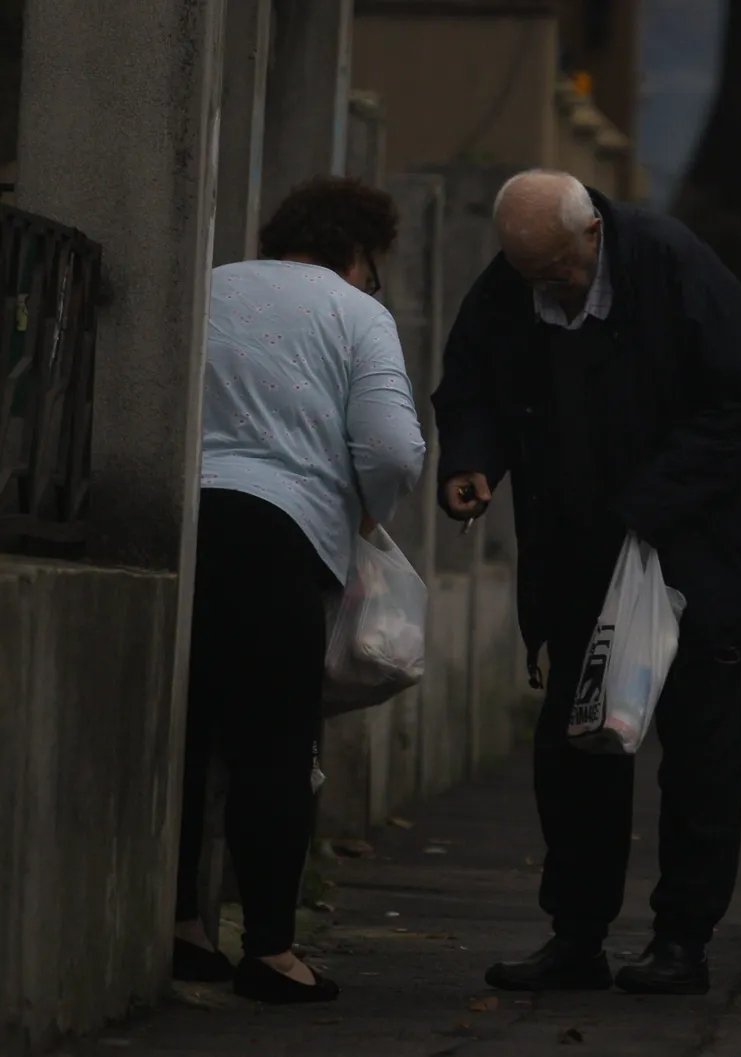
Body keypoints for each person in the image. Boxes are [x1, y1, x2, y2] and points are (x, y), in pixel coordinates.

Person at [432, 170, 741, 996]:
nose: (549, 288)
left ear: (592, 231)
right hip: (580, 554)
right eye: (532, 275)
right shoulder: (513, 283)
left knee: (700, 753)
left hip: (702, 552)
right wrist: (472, 462)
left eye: (558, 269)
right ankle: (577, 933)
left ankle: (681, 940)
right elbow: (471, 383)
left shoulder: (671, 265)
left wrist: (647, 502)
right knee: (577, 744)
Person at [173, 177, 426, 1003]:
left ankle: (183, 925)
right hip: (282, 535)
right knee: (274, 742)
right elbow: (391, 448)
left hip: (182, 519)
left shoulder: (208, 282)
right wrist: (366, 515)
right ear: (361, 253)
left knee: (189, 728)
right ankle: (273, 949)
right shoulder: (358, 315)